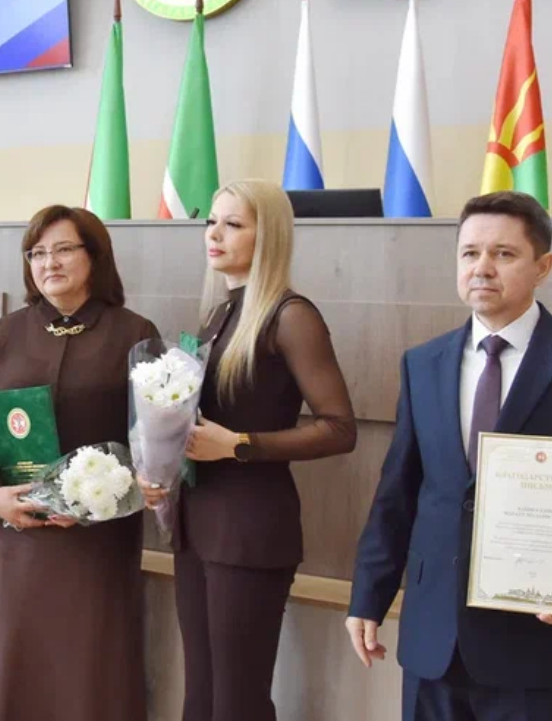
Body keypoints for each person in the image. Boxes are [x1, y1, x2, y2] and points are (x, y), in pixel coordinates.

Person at [346, 191, 552, 721]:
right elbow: (398, 491)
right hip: (434, 639)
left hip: (538, 646)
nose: (482, 268)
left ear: (543, 266)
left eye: (503, 253)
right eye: (469, 253)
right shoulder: (423, 363)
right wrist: (368, 595)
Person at [142, 180, 357, 721]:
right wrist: (161, 464)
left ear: (270, 235)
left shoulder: (291, 315)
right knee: (201, 697)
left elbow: (339, 429)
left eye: (233, 224)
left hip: (251, 530)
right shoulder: (218, 313)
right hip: (197, 525)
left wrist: (239, 445)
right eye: (211, 222)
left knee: (237, 702)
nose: (214, 234)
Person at [0, 205, 159, 721]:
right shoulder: (4, 333)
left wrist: (105, 501)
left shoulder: (134, 333)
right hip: (14, 536)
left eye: (64, 249)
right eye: (38, 253)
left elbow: (154, 442)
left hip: (96, 543)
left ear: (95, 256)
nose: (50, 262)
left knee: (88, 668)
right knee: (15, 664)